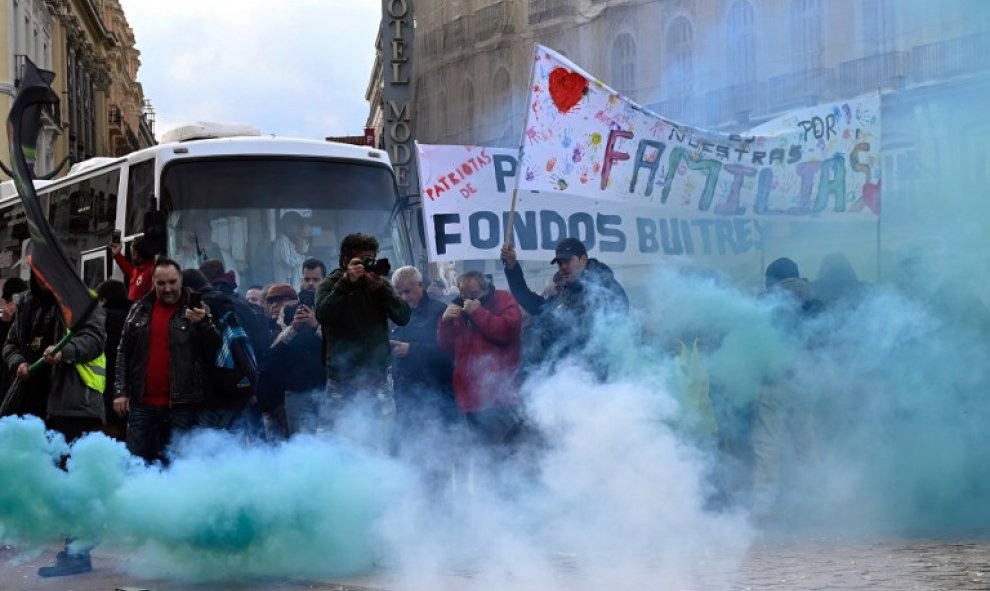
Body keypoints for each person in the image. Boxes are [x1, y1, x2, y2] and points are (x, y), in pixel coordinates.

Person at [2, 273, 107, 578]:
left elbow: (94, 340)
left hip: (71, 405)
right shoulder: (26, 304)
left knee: (72, 478)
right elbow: (10, 344)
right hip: (31, 403)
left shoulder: (81, 300)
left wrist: (64, 353)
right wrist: (17, 362)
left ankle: (78, 551)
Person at [113, 259, 219, 463]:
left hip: (183, 405)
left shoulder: (198, 308)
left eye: (172, 282)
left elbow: (214, 347)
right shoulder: (139, 308)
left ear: (181, 280)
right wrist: (120, 392)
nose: (167, 288)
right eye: (161, 283)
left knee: (177, 466)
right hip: (142, 404)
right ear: (153, 282)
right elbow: (123, 352)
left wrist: (203, 324)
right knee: (136, 463)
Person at [315, 233, 410, 450]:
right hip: (342, 380)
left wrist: (382, 289)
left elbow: (403, 316)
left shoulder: (376, 286)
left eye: (372, 259)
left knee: (383, 440)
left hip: (378, 378)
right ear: (346, 260)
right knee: (333, 440)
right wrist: (346, 283)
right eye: (363, 260)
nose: (369, 265)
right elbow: (323, 315)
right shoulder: (330, 284)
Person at [751, 257, 822, 520]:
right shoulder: (814, 304)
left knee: (767, 444)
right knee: (805, 443)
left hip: (771, 381)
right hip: (804, 381)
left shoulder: (763, 304)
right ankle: (813, 502)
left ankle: (764, 505)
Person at [501, 237, 628, 375]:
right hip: (568, 376)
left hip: (597, 377)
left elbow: (607, 333)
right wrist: (512, 267)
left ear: (583, 259)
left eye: (567, 261)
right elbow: (534, 305)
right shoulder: (565, 294)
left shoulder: (605, 287)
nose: (563, 267)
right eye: (560, 263)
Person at [437, 271, 523, 445]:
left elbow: (507, 331)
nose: (468, 299)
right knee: (481, 453)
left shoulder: (503, 299)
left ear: (486, 289)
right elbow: (446, 348)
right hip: (469, 397)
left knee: (504, 452)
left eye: (474, 295)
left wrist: (478, 312)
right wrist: (444, 323)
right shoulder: (457, 307)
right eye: (464, 294)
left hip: (498, 396)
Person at [389, 266, 456, 428]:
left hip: (435, 394)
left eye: (407, 291)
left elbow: (449, 352)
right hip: (405, 394)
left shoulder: (439, 311)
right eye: (399, 293)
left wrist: (411, 350)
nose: (404, 297)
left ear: (420, 285)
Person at [273, 259, 326, 435]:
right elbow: (275, 346)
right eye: (307, 279)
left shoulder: (331, 309)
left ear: (324, 281)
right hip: (296, 391)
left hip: (326, 387)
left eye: (316, 279)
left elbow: (340, 345)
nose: (310, 284)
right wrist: (294, 327)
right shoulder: (288, 311)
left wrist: (316, 325)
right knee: (300, 444)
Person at [95, 279, 131, 441]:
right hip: (132, 388)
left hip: (107, 384)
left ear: (104, 300)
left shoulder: (104, 319)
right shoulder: (136, 314)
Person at [273, 211, 310, 291]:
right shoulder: (281, 243)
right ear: (287, 226)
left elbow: (303, 252)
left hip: (296, 289)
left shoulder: (292, 242)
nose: (299, 229)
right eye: (296, 225)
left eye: (300, 226)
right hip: (285, 290)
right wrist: (300, 238)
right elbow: (293, 261)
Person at [112, 236, 156, 301]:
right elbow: (127, 268)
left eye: (132, 252)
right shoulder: (136, 270)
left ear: (137, 253)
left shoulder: (152, 271)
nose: (131, 255)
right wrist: (117, 255)